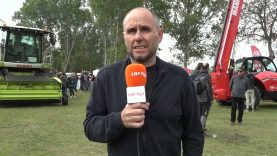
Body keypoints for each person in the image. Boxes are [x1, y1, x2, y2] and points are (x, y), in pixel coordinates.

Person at [83, 7, 204, 156]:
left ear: (159, 35)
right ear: (124, 37)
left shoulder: (180, 78)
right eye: (131, 31)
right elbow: (90, 127)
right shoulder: (106, 77)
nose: (138, 37)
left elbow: (194, 135)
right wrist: (119, 120)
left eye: (145, 29)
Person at [196, 63, 213, 132]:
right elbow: (209, 88)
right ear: (208, 68)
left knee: (199, 114)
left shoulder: (198, 75)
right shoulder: (207, 76)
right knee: (204, 114)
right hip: (205, 99)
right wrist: (211, 97)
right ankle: (201, 130)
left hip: (198, 98)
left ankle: (197, 128)